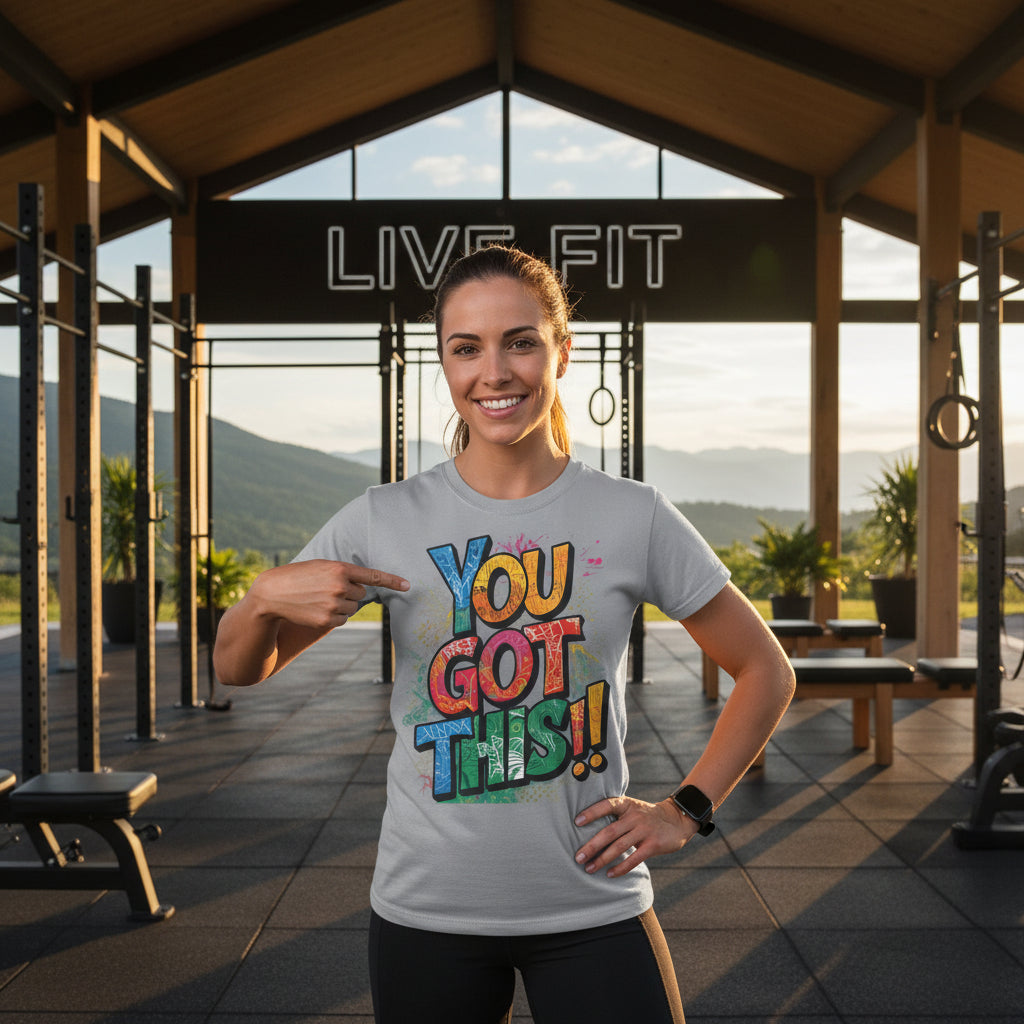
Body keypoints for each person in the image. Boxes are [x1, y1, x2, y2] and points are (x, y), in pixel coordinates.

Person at [213, 245, 795, 1024]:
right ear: (444, 363)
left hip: (592, 899)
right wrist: (258, 601)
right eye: (467, 348)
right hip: (427, 911)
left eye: (520, 342)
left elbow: (765, 669)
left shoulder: (632, 514)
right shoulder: (384, 519)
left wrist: (685, 809)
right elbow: (238, 667)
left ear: (562, 351)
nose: (494, 373)